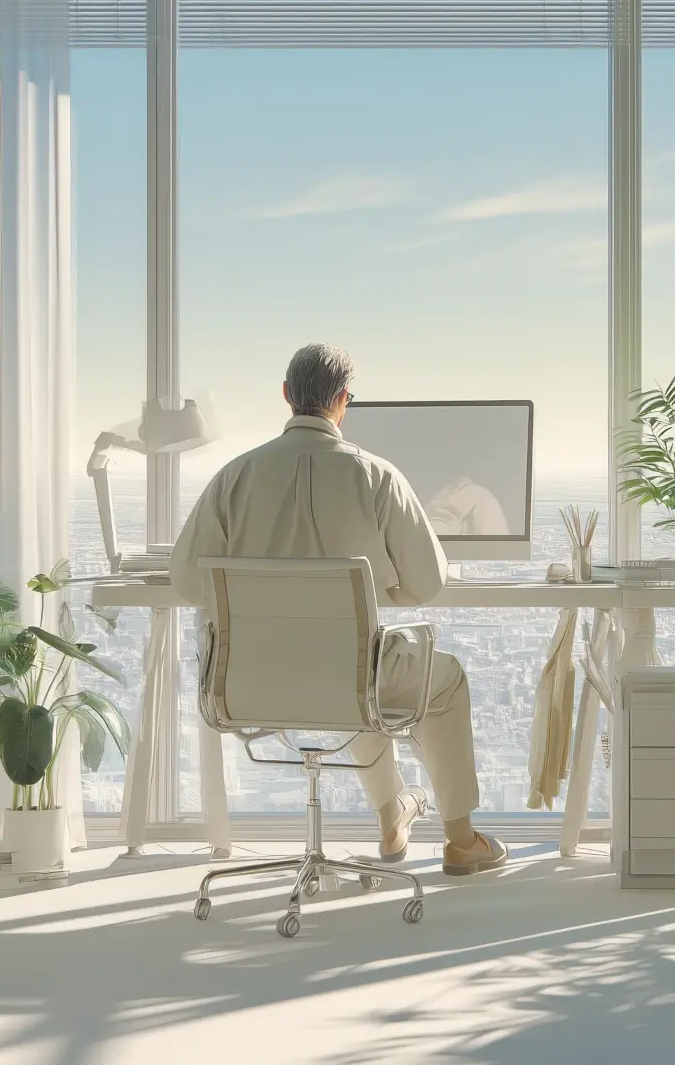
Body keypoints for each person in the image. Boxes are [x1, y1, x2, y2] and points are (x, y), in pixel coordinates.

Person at [170, 343, 508, 876]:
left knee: (358, 669)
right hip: (350, 680)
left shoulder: (232, 478)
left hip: (247, 684)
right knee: (423, 676)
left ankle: (391, 814)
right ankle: (462, 842)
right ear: (344, 400)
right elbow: (427, 582)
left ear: (286, 395)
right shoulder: (377, 478)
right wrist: (383, 589)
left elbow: (189, 580)